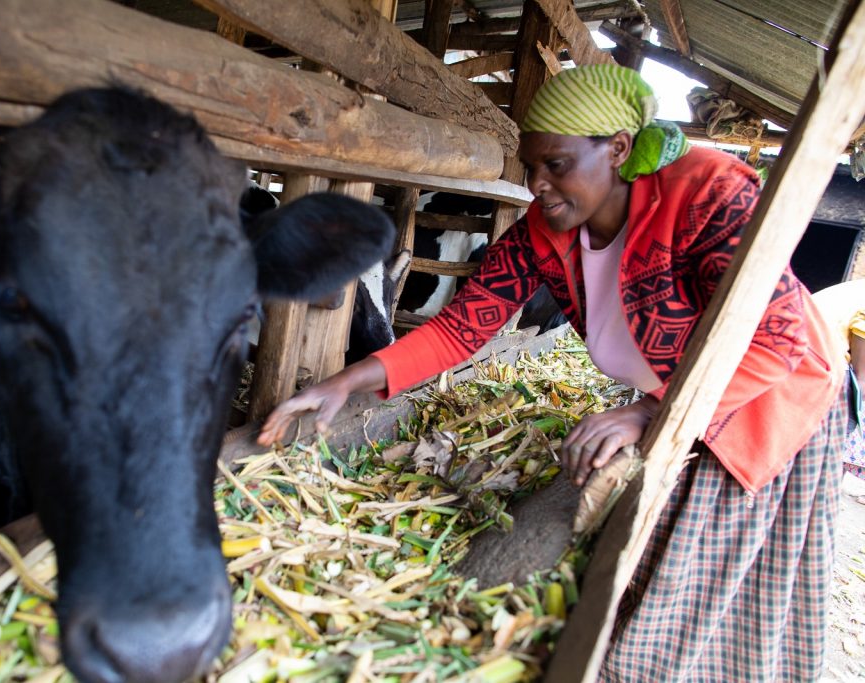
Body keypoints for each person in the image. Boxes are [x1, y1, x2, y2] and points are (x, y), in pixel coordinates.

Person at [258, 64, 849, 680]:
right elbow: (461, 330)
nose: (537, 184)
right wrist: (345, 382)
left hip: (764, 407)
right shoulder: (541, 235)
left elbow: (776, 338)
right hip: (680, 406)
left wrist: (649, 409)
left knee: (702, 592)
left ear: (618, 149)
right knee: (648, 575)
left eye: (557, 165)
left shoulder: (703, 196)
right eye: (530, 167)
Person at [813, 278, 865, 493]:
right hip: (819, 363)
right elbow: (862, 378)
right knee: (853, 404)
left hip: (806, 356)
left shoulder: (855, 288)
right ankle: (823, 494)